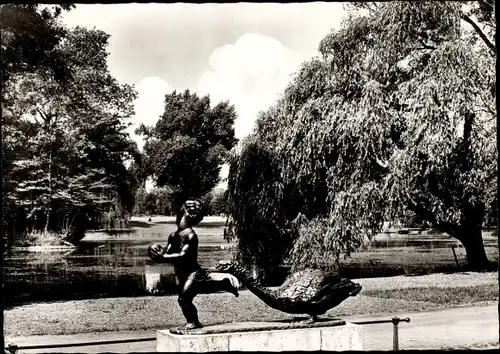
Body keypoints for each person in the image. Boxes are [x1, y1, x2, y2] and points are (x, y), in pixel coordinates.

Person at [148, 200, 239, 330]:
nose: (178, 214)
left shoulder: (191, 235)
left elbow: (182, 256)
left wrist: (163, 257)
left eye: (182, 211)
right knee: (202, 288)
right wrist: (155, 252)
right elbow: (166, 254)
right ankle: (224, 284)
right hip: (182, 273)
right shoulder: (173, 235)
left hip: (193, 273)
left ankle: (194, 322)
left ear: (189, 213)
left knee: (183, 299)